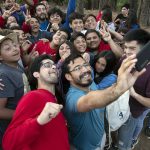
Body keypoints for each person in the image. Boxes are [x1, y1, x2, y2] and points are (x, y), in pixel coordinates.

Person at [61, 52, 145, 150]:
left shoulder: (89, 82)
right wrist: (118, 88)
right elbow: (89, 101)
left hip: (101, 138)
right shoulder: (72, 98)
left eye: (85, 65)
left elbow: (99, 95)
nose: (85, 70)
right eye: (77, 68)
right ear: (68, 77)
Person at [2, 54, 70, 150]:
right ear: (36, 74)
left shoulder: (55, 99)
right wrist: (39, 121)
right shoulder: (33, 97)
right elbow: (8, 142)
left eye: (54, 64)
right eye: (47, 65)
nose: (54, 66)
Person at [117, 29, 150, 150]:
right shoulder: (125, 60)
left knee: (124, 140)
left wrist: (134, 94)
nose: (126, 52)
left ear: (145, 49)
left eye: (132, 48)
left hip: (134, 112)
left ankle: (128, 143)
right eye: (125, 47)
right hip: (122, 106)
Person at [0, 33, 30, 145]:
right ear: (0, 57)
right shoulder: (3, 75)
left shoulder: (17, 65)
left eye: (15, 45)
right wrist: (26, 114)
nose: (14, 49)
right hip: (10, 131)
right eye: (8, 48)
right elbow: (0, 111)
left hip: (22, 125)